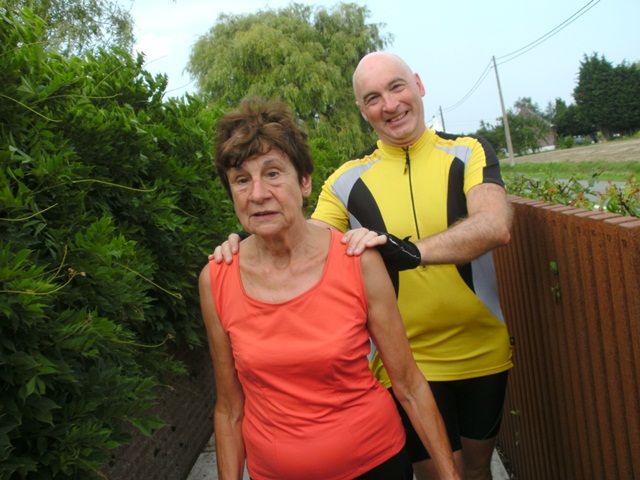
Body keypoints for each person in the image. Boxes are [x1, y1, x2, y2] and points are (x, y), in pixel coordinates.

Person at [213, 52, 514, 480]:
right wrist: (242, 246)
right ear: (362, 110)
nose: (389, 105)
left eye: (396, 87)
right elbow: (298, 236)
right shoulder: (345, 179)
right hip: (405, 362)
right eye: (373, 98)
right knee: (438, 474)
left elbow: (494, 224)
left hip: (480, 350)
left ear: (419, 85)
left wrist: (411, 252)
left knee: (477, 470)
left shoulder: (468, 151)